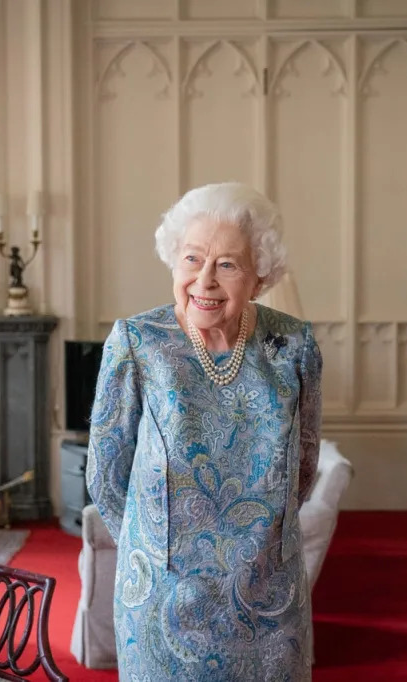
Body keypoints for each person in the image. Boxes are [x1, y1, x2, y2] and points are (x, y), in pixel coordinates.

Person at [87, 181, 322, 680]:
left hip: (269, 599)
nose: (205, 280)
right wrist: (152, 552)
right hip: (163, 601)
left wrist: (261, 548)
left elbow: (303, 468)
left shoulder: (294, 345)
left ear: (259, 277)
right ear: (175, 261)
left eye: (228, 264)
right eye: (193, 259)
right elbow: (106, 476)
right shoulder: (137, 343)